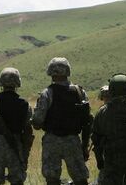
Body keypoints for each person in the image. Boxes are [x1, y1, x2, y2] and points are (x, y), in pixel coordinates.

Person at [31, 57, 92, 185]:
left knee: (52, 179)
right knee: (80, 178)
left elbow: (37, 122)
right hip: (73, 140)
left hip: (52, 140)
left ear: (51, 73)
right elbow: (87, 120)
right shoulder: (80, 92)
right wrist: (85, 145)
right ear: (68, 71)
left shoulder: (47, 93)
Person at [92, 73, 126, 185]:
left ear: (111, 90)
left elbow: (96, 138)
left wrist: (100, 160)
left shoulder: (102, 112)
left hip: (110, 161)